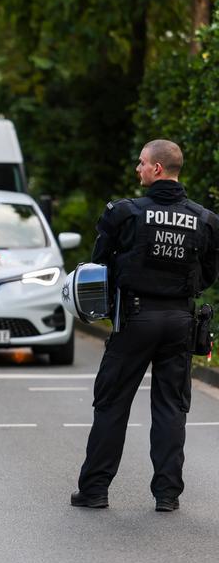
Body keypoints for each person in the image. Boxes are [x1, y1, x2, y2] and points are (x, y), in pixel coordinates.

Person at [71, 139, 219, 512]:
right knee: (171, 407)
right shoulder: (205, 219)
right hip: (180, 321)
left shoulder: (125, 213)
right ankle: (167, 496)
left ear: (156, 169)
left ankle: (94, 491)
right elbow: (207, 277)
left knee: (112, 404)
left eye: (141, 163)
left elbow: (98, 264)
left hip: (136, 319)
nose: (137, 169)